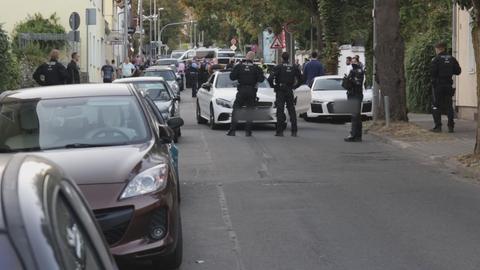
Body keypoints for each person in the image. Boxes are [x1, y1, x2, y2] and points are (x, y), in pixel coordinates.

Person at [227, 51, 265, 137]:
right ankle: (248, 131)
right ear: (253, 58)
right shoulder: (256, 68)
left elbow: (232, 77)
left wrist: (240, 76)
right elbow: (261, 79)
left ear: (246, 57)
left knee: (236, 109)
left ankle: (232, 130)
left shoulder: (239, 66)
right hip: (252, 91)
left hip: (242, 90)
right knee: (250, 111)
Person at [268, 52, 303, 137]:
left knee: (280, 110)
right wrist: (295, 86)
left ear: (281, 58)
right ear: (288, 58)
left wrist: (274, 86)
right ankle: (294, 131)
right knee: (291, 109)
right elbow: (301, 78)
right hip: (289, 89)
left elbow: (270, 79)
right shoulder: (294, 67)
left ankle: (279, 132)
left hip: (280, 90)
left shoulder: (278, 67)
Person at [430, 42, 462, 133]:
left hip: (438, 85)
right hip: (448, 85)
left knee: (436, 105)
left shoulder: (436, 59)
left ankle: (438, 127)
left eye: (436, 49)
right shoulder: (452, 59)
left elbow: (432, 73)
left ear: (438, 48)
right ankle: (451, 126)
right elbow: (458, 71)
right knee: (449, 106)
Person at [343, 57, 365, 142]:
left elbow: (358, 83)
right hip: (352, 94)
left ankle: (354, 135)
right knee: (356, 116)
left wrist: (351, 79)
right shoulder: (351, 71)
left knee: (355, 115)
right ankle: (357, 135)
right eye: (352, 61)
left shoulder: (359, 72)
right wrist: (347, 79)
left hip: (356, 94)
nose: (353, 63)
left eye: (355, 61)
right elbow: (346, 84)